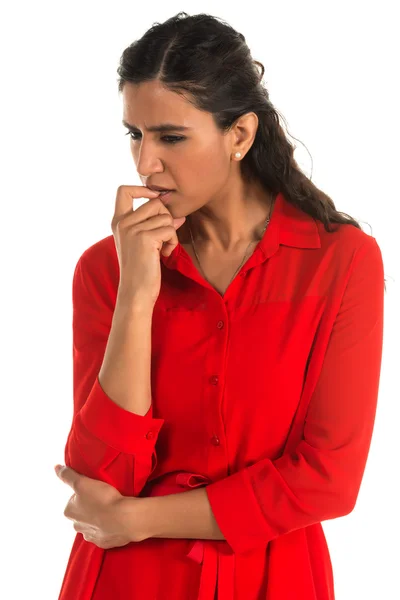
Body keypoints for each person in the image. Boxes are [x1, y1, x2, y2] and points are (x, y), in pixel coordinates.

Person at [57, 11, 385, 600]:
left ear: (240, 134)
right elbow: (102, 476)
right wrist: (137, 293)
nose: (145, 164)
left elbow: (329, 480)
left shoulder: (341, 262)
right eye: (135, 134)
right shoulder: (107, 269)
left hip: (273, 577)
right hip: (128, 581)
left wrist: (137, 519)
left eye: (171, 136)